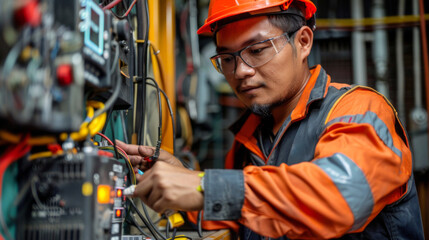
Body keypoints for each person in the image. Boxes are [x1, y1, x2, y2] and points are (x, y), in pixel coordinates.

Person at [117, 0, 425, 239]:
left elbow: (340, 197)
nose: (240, 72)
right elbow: (244, 217)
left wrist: (205, 187)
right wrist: (178, 185)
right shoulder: (249, 139)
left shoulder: (358, 110)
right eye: (227, 59)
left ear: (303, 42)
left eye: (258, 50)